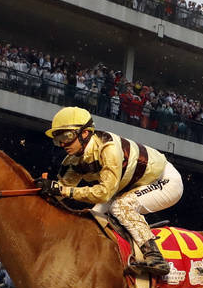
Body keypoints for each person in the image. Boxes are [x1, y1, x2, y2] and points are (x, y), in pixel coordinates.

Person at [39, 106, 182, 277]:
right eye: (58, 139)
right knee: (91, 220)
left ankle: (156, 258)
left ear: (84, 133)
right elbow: (61, 191)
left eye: (66, 137)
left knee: (121, 207)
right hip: (125, 186)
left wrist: (62, 190)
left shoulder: (108, 148)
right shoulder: (72, 160)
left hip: (164, 180)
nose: (63, 144)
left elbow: (103, 194)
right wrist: (45, 189)